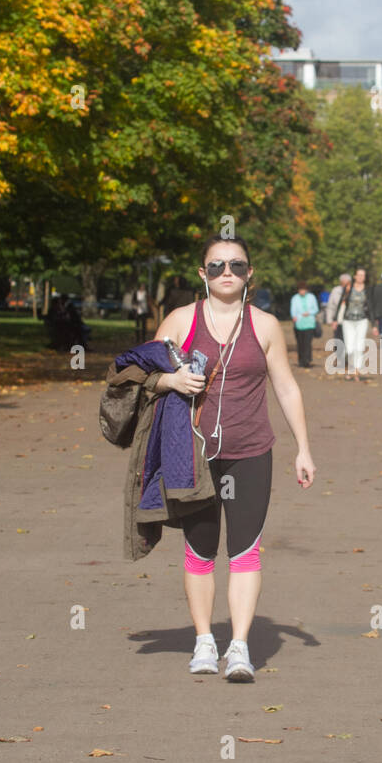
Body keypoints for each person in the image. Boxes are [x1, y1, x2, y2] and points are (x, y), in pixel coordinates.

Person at [152, 234, 315, 682]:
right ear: (202, 273)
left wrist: (303, 448)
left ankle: (239, 647)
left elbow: (286, 386)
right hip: (193, 453)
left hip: (250, 452)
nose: (228, 272)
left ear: (249, 275)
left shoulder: (264, 325)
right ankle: (204, 641)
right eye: (218, 265)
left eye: (237, 266)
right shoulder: (180, 320)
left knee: (245, 550)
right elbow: (139, 378)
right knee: (200, 550)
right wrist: (171, 383)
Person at [337, 268, 378, 381]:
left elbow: (371, 307)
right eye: (359, 275)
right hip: (348, 321)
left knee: (359, 346)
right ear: (354, 276)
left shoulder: (368, 290)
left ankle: (356, 370)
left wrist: (374, 325)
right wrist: (335, 319)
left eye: (363, 275)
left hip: (362, 320)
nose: (361, 277)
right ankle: (350, 368)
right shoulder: (348, 288)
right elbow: (341, 302)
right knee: (349, 348)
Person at [289, 281, 319, 367]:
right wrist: (294, 316)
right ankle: (301, 360)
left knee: (307, 343)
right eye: (300, 290)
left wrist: (309, 313)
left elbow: (316, 309)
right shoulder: (295, 298)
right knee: (300, 343)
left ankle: (307, 360)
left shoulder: (311, 297)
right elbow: (293, 310)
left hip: (309, 323)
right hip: (299, 323)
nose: (302, 291)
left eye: (303, 290)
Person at [325, 273, 351, 371]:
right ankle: (340, 359)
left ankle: (347, 360)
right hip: (338, 320)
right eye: (343, 282)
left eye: (347, 282)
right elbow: (330, 306)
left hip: (349, 321)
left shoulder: (352, 291)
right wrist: (330, 320)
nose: (344, 284)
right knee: (338, 340)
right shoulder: (336, 291)